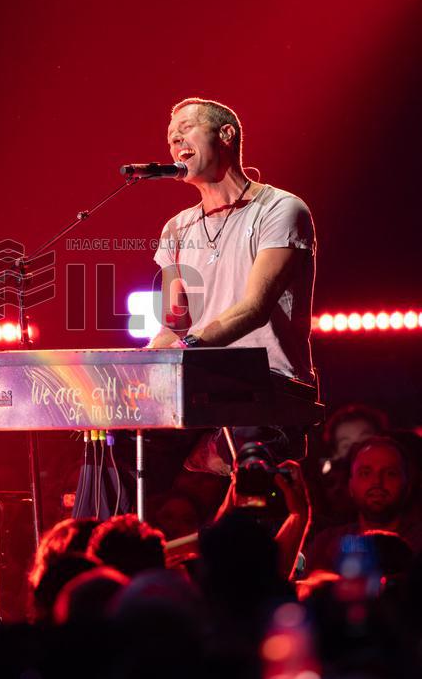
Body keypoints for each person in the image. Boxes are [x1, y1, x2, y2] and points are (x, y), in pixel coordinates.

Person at [148, 96, 317, 474]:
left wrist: (186, 350)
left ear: (227, 134)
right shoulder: (177, 228)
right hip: (199, 388)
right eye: (171, 137)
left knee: (246, 455)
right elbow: (173, 326)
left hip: (267, 386)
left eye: (185, 129)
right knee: (116, 443)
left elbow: (254, 308)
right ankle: (100, 535)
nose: (176, 142)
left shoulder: (280, 209)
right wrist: (134, 375)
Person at [305, 437, 422, 572]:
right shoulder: (326, 543)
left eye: (390, 473)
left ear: (407, 485)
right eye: (365, 473)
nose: (377, 482)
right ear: (350, 485)